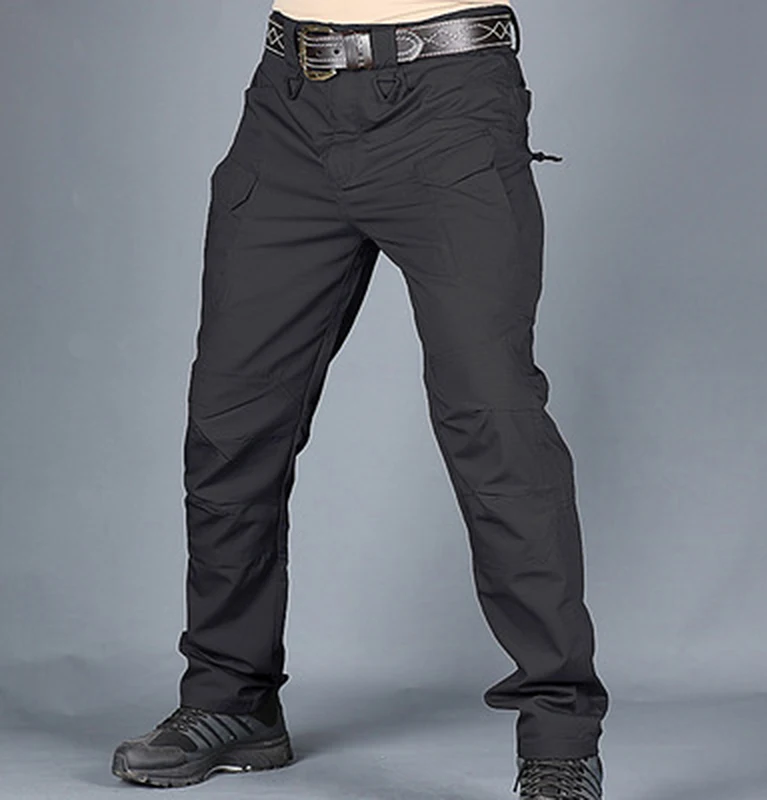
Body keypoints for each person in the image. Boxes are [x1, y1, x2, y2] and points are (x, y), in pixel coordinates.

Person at [110, 2, 610, 797]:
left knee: (494, 421)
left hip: (447, 102)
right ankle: (232, 698)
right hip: (289, 104)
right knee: (231, 420)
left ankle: (560, 736)